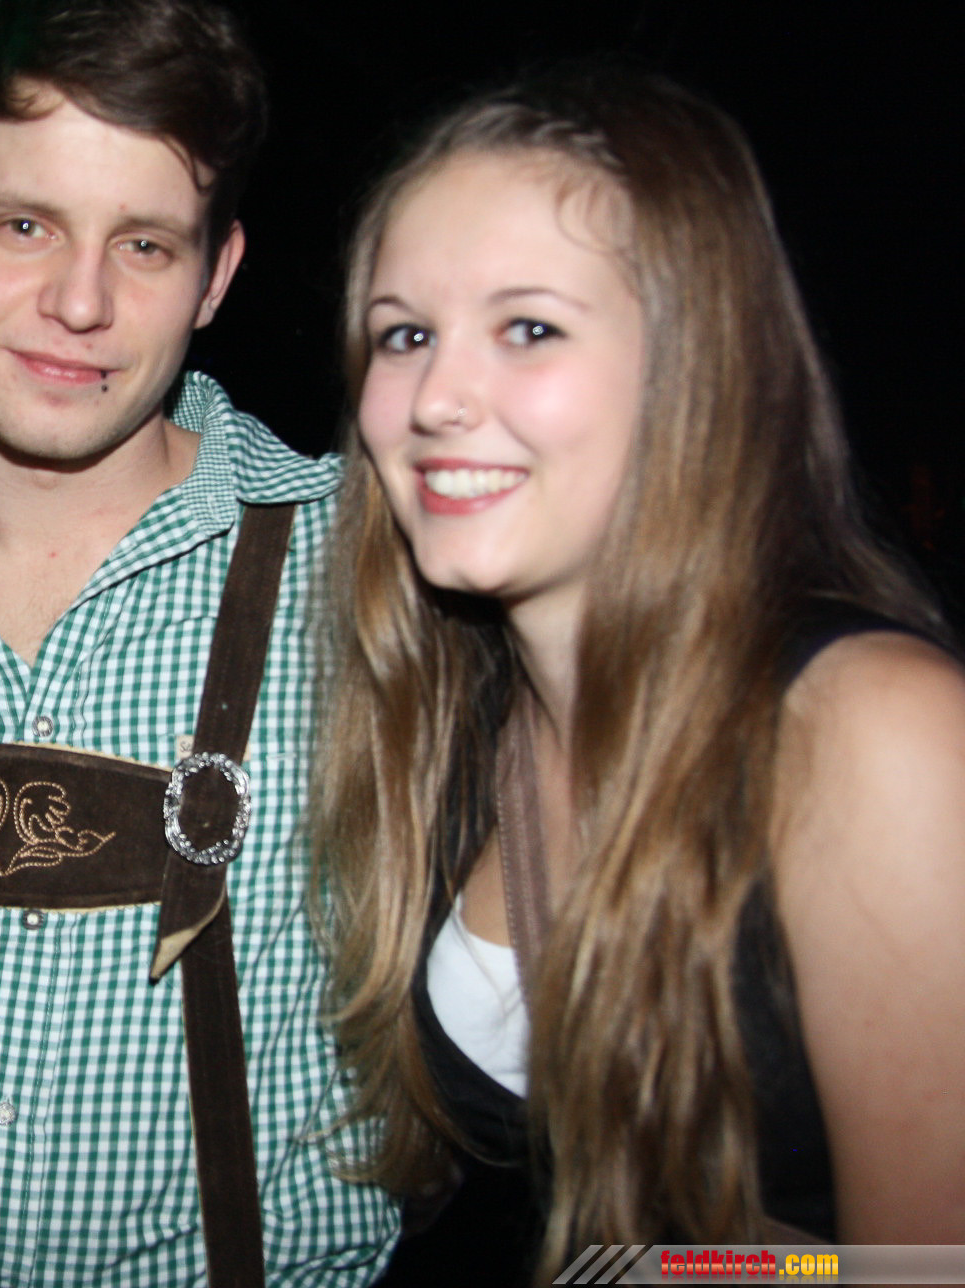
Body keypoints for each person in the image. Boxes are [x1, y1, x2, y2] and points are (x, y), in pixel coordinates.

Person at [315, 67, 965, 1281]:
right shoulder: (456, 715)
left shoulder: (872, 732)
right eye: (404, 334)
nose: (435, 398)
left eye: (528, 328)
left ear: (693, 363)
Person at [0, 2, 398, 1284]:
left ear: (215, 275)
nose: (80, 302)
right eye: (23, 225)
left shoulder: (365, 568)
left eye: (143, 245)